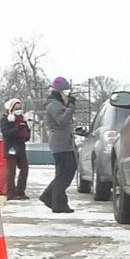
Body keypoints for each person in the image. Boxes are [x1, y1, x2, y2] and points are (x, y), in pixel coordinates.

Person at [38, 77, 77, 213]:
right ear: (59, 92)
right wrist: (71, 107)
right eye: (66, 91)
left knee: (65, 172)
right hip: (61, 143)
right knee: (65, 173)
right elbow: (62, 121)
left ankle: (49, 197)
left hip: (63, 142)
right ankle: (58, 203)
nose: (68, 94)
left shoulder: (57, 104)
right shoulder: (54, 105)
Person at [0, 98, 31, 201]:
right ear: (10, 109)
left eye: (20, 108)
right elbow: (6, 134)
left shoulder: (23, 120)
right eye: (16, 108)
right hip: (11, 149)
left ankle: (20, 191)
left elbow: (27, 134)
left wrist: (25, 134)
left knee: (25, 169)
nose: (18, 110)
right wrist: (18, 129)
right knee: (11, 172)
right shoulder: (5, 120)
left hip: (21, 148)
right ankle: (11, 193)